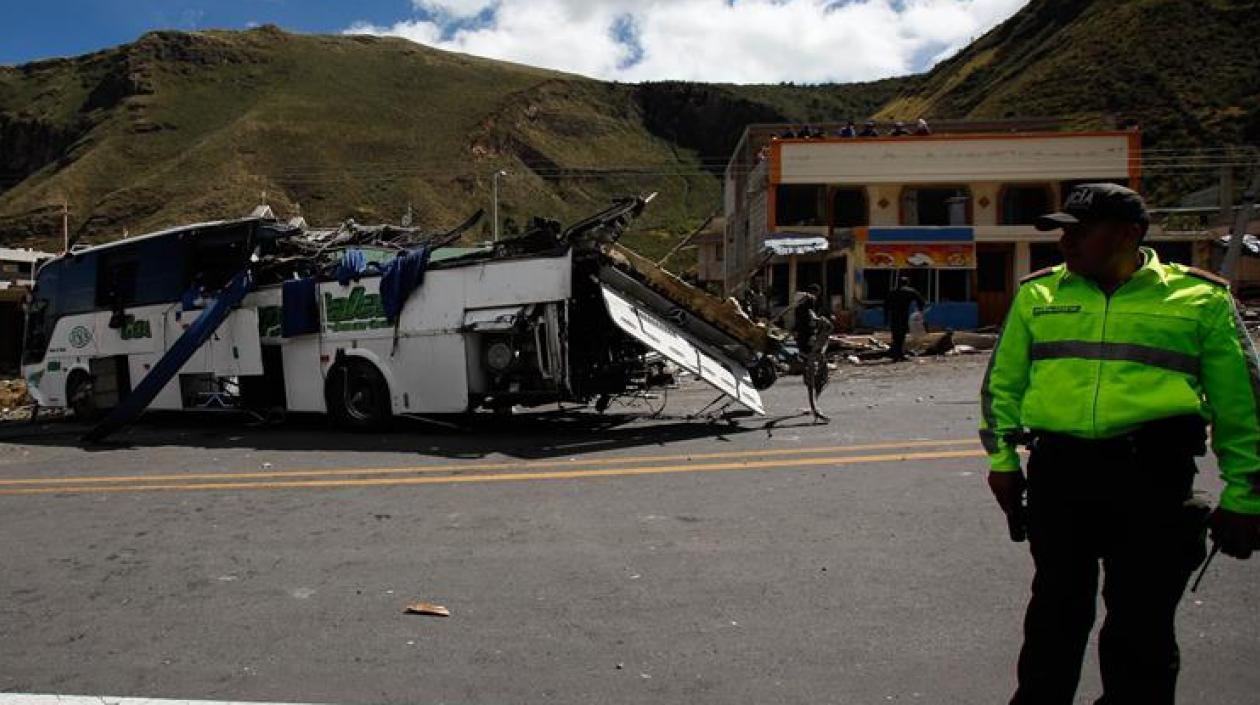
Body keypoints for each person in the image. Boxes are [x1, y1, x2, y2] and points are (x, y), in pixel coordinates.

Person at [980, 183, 1260, 705]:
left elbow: (1242, 407)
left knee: (1142, 630)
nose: (1067, 242)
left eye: (1082, 231)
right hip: (1059, 478)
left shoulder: (1200, 300)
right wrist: (1002, 461)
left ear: (1130, 234)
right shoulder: (1039, 294)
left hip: (1152, 482)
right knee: (1053, 619)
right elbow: (1002, 386)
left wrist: (1246, 493)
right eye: (1063, 231)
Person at [792, 284, 832, 423]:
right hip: (809, 350)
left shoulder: (803, 311)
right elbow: (815, 324)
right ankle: (815, 408)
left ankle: (814, 404)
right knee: (812, 380)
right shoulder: (806, 312)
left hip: (810, 349)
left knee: (819, 378)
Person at [883, 276, 926, 361]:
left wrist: (886, 318)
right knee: (902, 335)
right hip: (903, 316)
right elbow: (921, 301)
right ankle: (900, 354)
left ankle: (897, 354)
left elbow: (885, 306)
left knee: (895, 336)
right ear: (907, 283)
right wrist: (920, 311)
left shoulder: (892, 292)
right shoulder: (910, 292)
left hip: (894, 316)